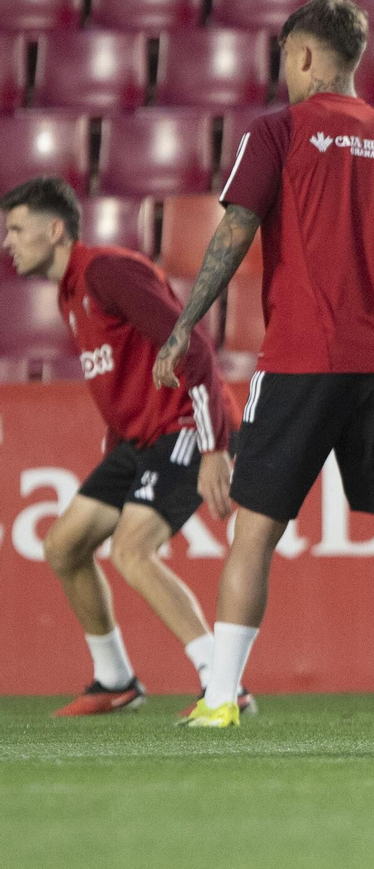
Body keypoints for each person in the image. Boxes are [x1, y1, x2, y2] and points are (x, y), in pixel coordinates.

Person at [153, 0, 374, 727]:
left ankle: (219, 698)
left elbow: (236, 232)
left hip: (302, 359)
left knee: (255, 531)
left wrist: (183, 326)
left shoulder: (277, 131)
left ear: (304, 55)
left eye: (285, 59)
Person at [2, 176, 243, 717]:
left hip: (185, 427)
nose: (8, 241)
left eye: (16, 229)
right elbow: (123, 381)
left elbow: (193, 343)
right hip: (139, 443)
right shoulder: (70, 294)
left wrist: (212, 446)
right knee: (64, 545)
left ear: (56, 229)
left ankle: (221, 682)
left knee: (132, 550)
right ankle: (115, 678)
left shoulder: (107, 271)